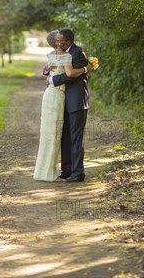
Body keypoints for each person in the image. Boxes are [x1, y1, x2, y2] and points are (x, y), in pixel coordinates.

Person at [33, 30, 92, 182]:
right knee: (65, 137)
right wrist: (47, 70)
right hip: (61, 101)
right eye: (57, 41)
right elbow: (49, 68)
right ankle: (67, 170)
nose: (58, 43)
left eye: (61, 41)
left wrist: (54, 80)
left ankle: (78, 173)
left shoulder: (78, 52)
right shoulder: (60, 53)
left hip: (76, 101)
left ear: (69, 40)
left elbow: (71, 75)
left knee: (76, 138)